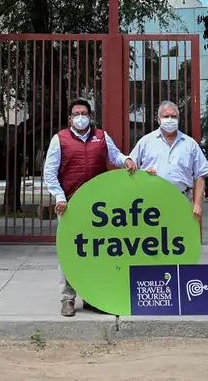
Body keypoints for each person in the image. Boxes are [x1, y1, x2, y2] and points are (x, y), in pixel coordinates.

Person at [44, 98, 137, 317]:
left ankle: (92, 297)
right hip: (70, 205)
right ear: (70, 118)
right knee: (70, 253)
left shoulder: (101, 137)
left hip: (98, 208)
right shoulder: (60, 140)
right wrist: (59, 197)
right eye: (76, 114)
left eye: (84, 113)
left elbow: (115, 155)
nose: (80, 117)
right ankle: (68, 298)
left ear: (90, 116)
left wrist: (127, 160)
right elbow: (50, 172)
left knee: (97, 252)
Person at [129, 100, 208, 222]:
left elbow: (200, 175)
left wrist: (197, 203)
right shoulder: (146, 142)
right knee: (154, 238)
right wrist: (143, 173)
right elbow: (130, 167)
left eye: (173, 116)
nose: (170, 119)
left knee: (180, 237)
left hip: (181, 199)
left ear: (178, 119)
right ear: (158, 119)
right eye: (166, 116)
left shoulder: (190, 144)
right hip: (150, 202)